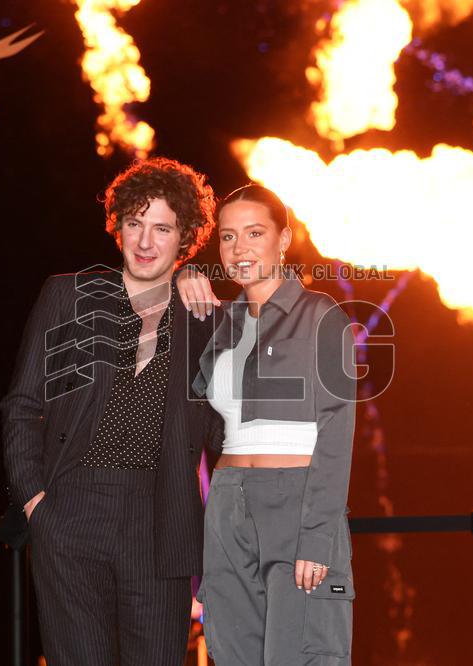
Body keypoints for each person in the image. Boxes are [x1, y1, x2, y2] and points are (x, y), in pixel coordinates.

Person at [1, 157, 221, 665]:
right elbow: (22, 405)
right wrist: (37, 505)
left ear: (184, 236)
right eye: (134, 223)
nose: (144, 242)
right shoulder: (67, 297)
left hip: (160, 524)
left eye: (161, 228)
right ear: (117, 224)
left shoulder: (207, 319)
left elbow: (223, 432)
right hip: (70, 515)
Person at [178, 184, 358, 664]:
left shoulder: (322, 315)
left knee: (302, 652)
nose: (239, 249)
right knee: (232, 650)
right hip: (227, 502)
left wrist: (318, 538)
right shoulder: (221, 323)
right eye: (228, 237)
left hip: (297, 503)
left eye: (254, 233)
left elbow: (337, 434)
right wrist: (182, 277)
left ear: (284, 239)